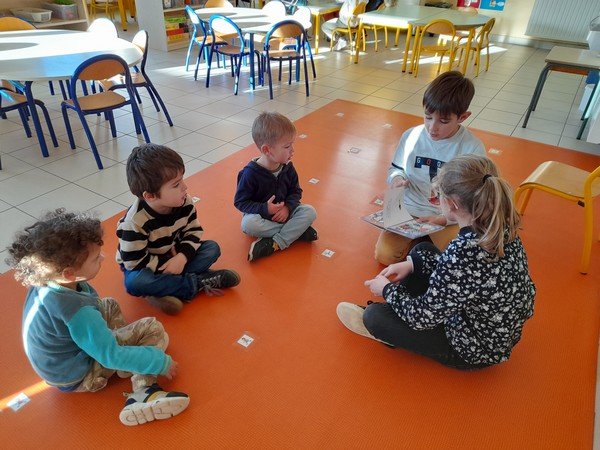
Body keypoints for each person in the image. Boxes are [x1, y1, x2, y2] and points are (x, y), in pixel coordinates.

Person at [337, 155, 536, 370]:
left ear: (451, 204)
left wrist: (386, 290)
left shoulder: (462, 253)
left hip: (473, 349)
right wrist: (412, 264)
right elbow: (466, 276)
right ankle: (405, 303)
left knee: (374, 317)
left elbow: (422, 318)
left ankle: (390, 323)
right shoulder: (500, 226)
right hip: (494, 329)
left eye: (438, 196)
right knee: (421, 252)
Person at [6, 209, 190, 426]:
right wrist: (159, 362)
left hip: (59, 366)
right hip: (80, 375)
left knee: (108, 304)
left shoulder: (46, 279)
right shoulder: (77, 311)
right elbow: (108, 355)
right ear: (68, 273)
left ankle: (125, 358)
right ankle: (144, 392)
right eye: (95, 258)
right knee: (153, 329)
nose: (103, 257)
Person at [375, 70, 486, 266]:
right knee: (384, 256)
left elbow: (474, 199)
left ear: (463, 117)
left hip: (448, 216)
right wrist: (396, 179)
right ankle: (420, 240)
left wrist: (443, 220)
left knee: (458, 263)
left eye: (443, 121)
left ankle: (424, 241)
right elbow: (395, 169)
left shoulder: (472, 148)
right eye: (428, 117)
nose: (432, 128)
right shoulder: (411, 136)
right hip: (409, 210)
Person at [116, 144, 240, 315]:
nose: (184, 187)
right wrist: (167, 265)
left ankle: (164, 289)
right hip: (145, 264)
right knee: (135, 283)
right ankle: (197, 283)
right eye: (176, 185)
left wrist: (181, 258)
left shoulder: (184, 201)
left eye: (182, 179)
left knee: (212, 249)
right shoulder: (134, 222)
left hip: (174, 252)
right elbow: (133, 262)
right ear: (150, 196)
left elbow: (194, 232)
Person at [234, 111, 317, 261]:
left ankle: (277, 242)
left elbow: (296, 191)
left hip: (285, 213)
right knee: (248, 224)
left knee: (310, 211)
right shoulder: (249, 174)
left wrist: (288, 208)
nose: (292, 150)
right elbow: (241, 202)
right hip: (261, 216)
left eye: (292, 145)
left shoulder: (288, 167)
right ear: (267, 150)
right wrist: (265, 208)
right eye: (287, 146)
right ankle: (296, 233)